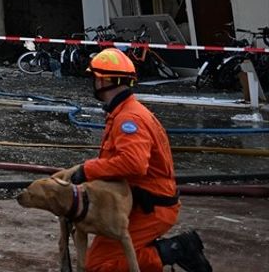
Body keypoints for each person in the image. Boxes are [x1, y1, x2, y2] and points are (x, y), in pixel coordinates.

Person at [54, 48, 210, 272]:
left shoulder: (129, 118)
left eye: (95, 78)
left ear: (103, 81)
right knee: (100, 256)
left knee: (99, 266)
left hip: (150, 207)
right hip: (136, 201)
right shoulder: (121, 112)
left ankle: (176, 249)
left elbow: (133, 164)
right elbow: (115, 161)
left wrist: (87, 171)